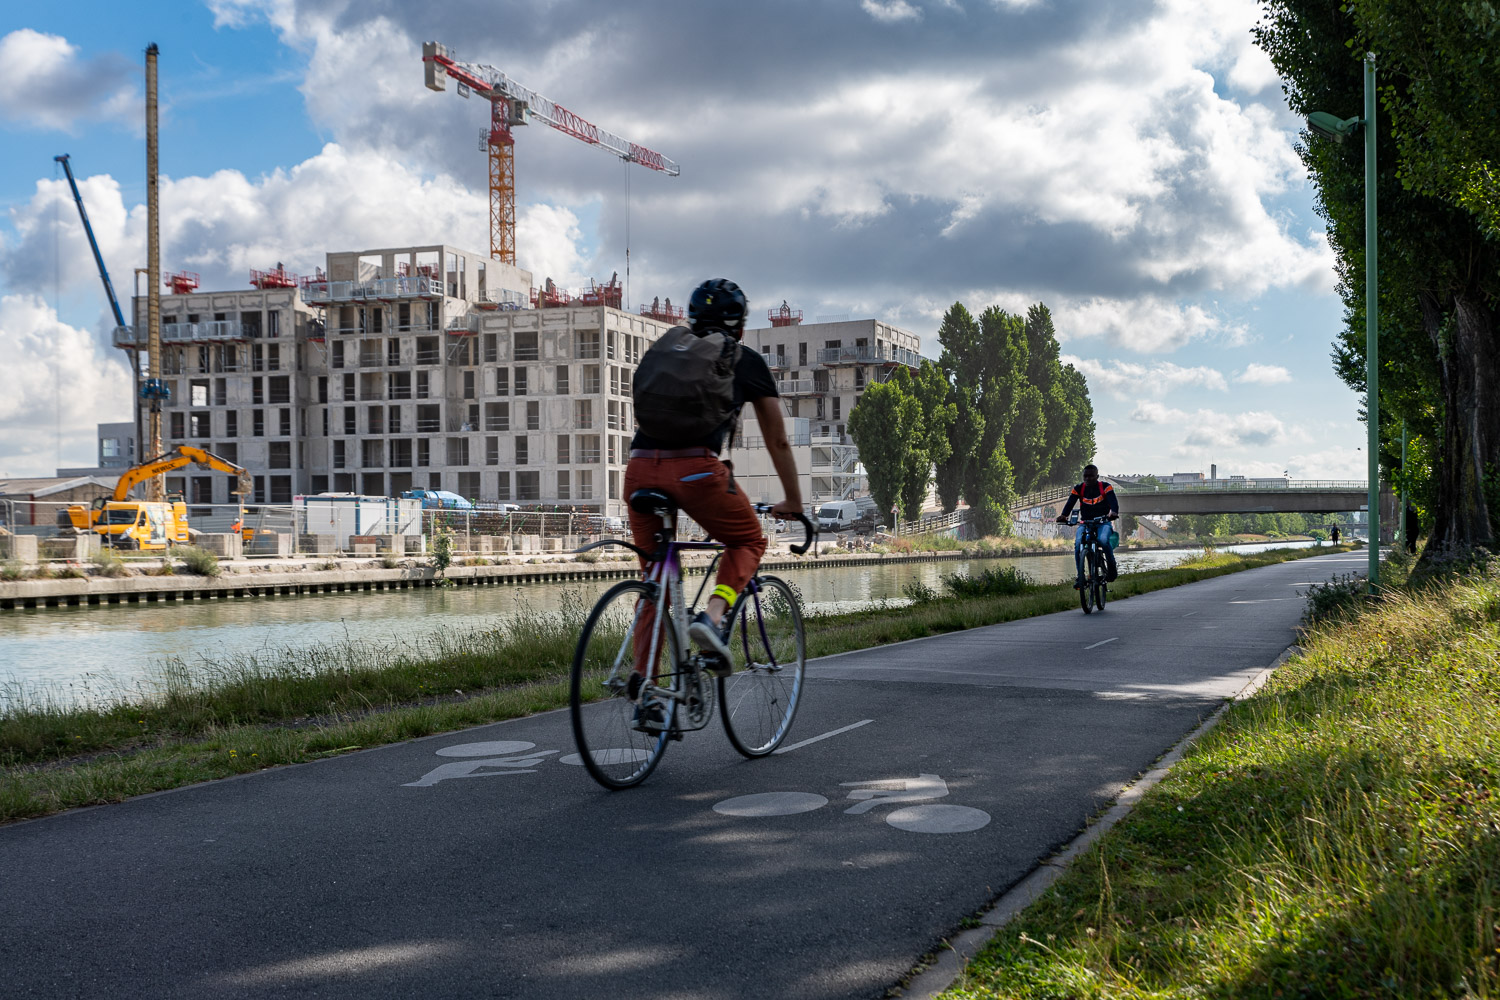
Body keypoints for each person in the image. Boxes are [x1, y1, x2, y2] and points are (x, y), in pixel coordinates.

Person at [625, 278, 804, 728]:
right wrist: (794, 500)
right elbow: (778, 438)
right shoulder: (744, 360)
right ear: (740, 325)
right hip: (697, 472)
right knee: (748, 540)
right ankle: (714, 613)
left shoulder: (668, 353)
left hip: (639, 468)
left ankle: (645, 687)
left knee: (655, 578)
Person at [1055, 464, 1119, 588]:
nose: (1088, 479)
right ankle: (1081, 577)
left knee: (1103, 540)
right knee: (1078, 544)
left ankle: (1112, 570)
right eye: (1085, 476)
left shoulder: (1105, 487)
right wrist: (1064, 515)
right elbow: (1070, 502)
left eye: (1091, 476)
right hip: (1085, 523)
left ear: (1097, 476)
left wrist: (1113, 512)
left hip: (1103, 522)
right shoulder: (1079, 488)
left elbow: (1113, 502)